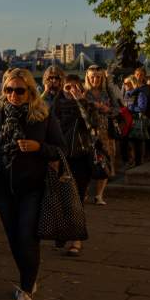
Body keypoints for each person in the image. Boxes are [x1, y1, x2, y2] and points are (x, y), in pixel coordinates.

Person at [0, 68, 66, 300]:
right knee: (13, 238)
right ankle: (29, 275)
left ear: (30, 91)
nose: (13, 95)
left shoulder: (42, 116)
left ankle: (26, 291)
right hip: (4, 186)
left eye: (19, 90)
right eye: (8, 90)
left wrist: (39, 147)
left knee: (27, 237)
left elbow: (60, 148)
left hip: (33, 186)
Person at [58, 75, 101, 256]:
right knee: (61, 199)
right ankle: (63, 231)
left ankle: (76, 240)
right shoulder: (57, 106)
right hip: (61, 157)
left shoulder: (88, 105)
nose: (71, 91)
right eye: (68, 88)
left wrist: (81, 102)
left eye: (75, 87)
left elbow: (93, 125)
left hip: (80, 158)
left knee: (77, 199)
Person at [83, 65, 120, 204]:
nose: (95, 79)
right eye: (92, 76)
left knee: (105, 161)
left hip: (105, 131)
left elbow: (118, 110)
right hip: (88, 131)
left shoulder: (108, 91)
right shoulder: (83, 92)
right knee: (87, 161)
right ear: (87, 77)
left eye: (98, 77)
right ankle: (84, 192)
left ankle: (99, 195)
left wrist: (107, 109)